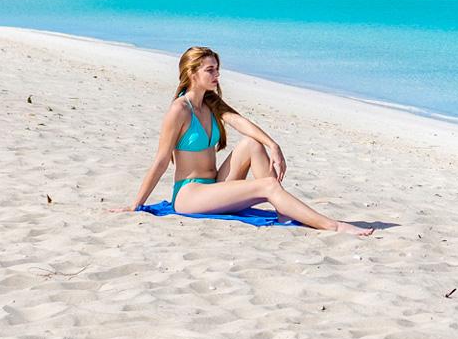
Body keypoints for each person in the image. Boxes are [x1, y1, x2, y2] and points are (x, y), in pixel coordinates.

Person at [119, 46, 370, 234]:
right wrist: (136, 204)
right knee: (268, 186)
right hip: (190, 195)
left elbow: (240, 123)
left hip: (215, 183)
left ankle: (283, 210)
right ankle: (334, 226)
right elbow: (161, 161)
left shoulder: (210, 103)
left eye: (217, 69)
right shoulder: (179, 110)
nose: (217, 75)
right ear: (192, 73)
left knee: (252, 144)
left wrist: (274, 145)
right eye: (210, 70)